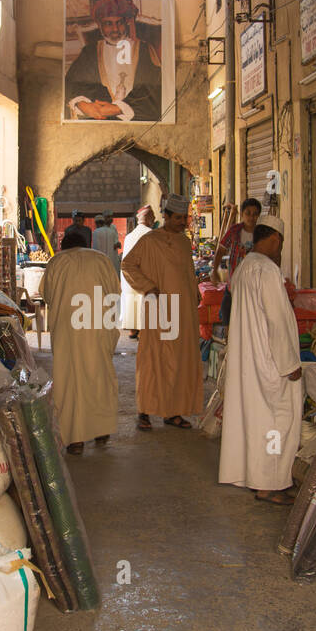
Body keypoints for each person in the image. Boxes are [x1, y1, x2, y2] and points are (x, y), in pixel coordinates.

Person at [219, 216, 303, 505]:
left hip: (249, 360)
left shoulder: (244, 267)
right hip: (269, 360)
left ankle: (258, 478)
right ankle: (270, 485)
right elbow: (277, 320)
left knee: (257, 421)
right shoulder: (267, 270)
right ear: (276, 239)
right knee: (278, 421)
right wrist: (289, 363)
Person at [121, 192, 203, 431]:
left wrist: (195, 292)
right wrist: (148, 287)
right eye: (178, 218)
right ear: (166, 216)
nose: (182, 222)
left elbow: (187, 274)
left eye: (184, 218)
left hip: (183, 312)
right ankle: (144, 413)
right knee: (152, 361)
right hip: (159, 310)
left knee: (180, 362)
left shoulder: (184, 242)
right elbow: (127, 264)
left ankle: (173, 413)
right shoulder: (150, 240)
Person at [39, 233, 120, 454]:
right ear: (86, 245)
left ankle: (75, 440)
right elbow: (115, 292)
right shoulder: (101, 259)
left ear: (64, 247)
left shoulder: (57, 261)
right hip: (98, 326)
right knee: (99, 375)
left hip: (68, 331)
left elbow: (46, 294)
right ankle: (101, 430)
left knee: (70, 380)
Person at [65, 0, 162, 122]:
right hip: (100, 118)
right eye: (108, 24)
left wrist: (119, 108)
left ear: (126, 23)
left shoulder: (143, 49)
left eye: (119, 23)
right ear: (100, 25)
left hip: (136, 116)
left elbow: (152, 88)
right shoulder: (90, 52)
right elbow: (74, 84)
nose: (115, 29)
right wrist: (82, 104)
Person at [211, 198, 261, 326]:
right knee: (228, 318)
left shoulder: (261, 234)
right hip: (233, 286)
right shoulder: (234, 231)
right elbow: (221, 250)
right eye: (248, 213)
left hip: (254, 288)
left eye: (255, 214)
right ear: (242, 214)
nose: (251, 217)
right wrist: (214, 270)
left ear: (259, 216)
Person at [120, 204, 155, 337]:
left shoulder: (129, 236)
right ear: (149, 218)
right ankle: (143, 330)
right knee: (143, 301)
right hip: (144, 276)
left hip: (129, 278)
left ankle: (133, 330)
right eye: (153, 217)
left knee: (131, 302)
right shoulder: (150, 234)